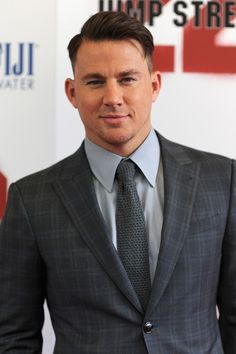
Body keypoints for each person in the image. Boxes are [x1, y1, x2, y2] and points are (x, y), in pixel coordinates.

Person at [0, 11, 235, 354]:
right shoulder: (31, 200)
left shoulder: (222, 181)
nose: (113, 97)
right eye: (95, 81)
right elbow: (13, 335)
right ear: (72, 92)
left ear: (154, 85)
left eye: (127, 79)